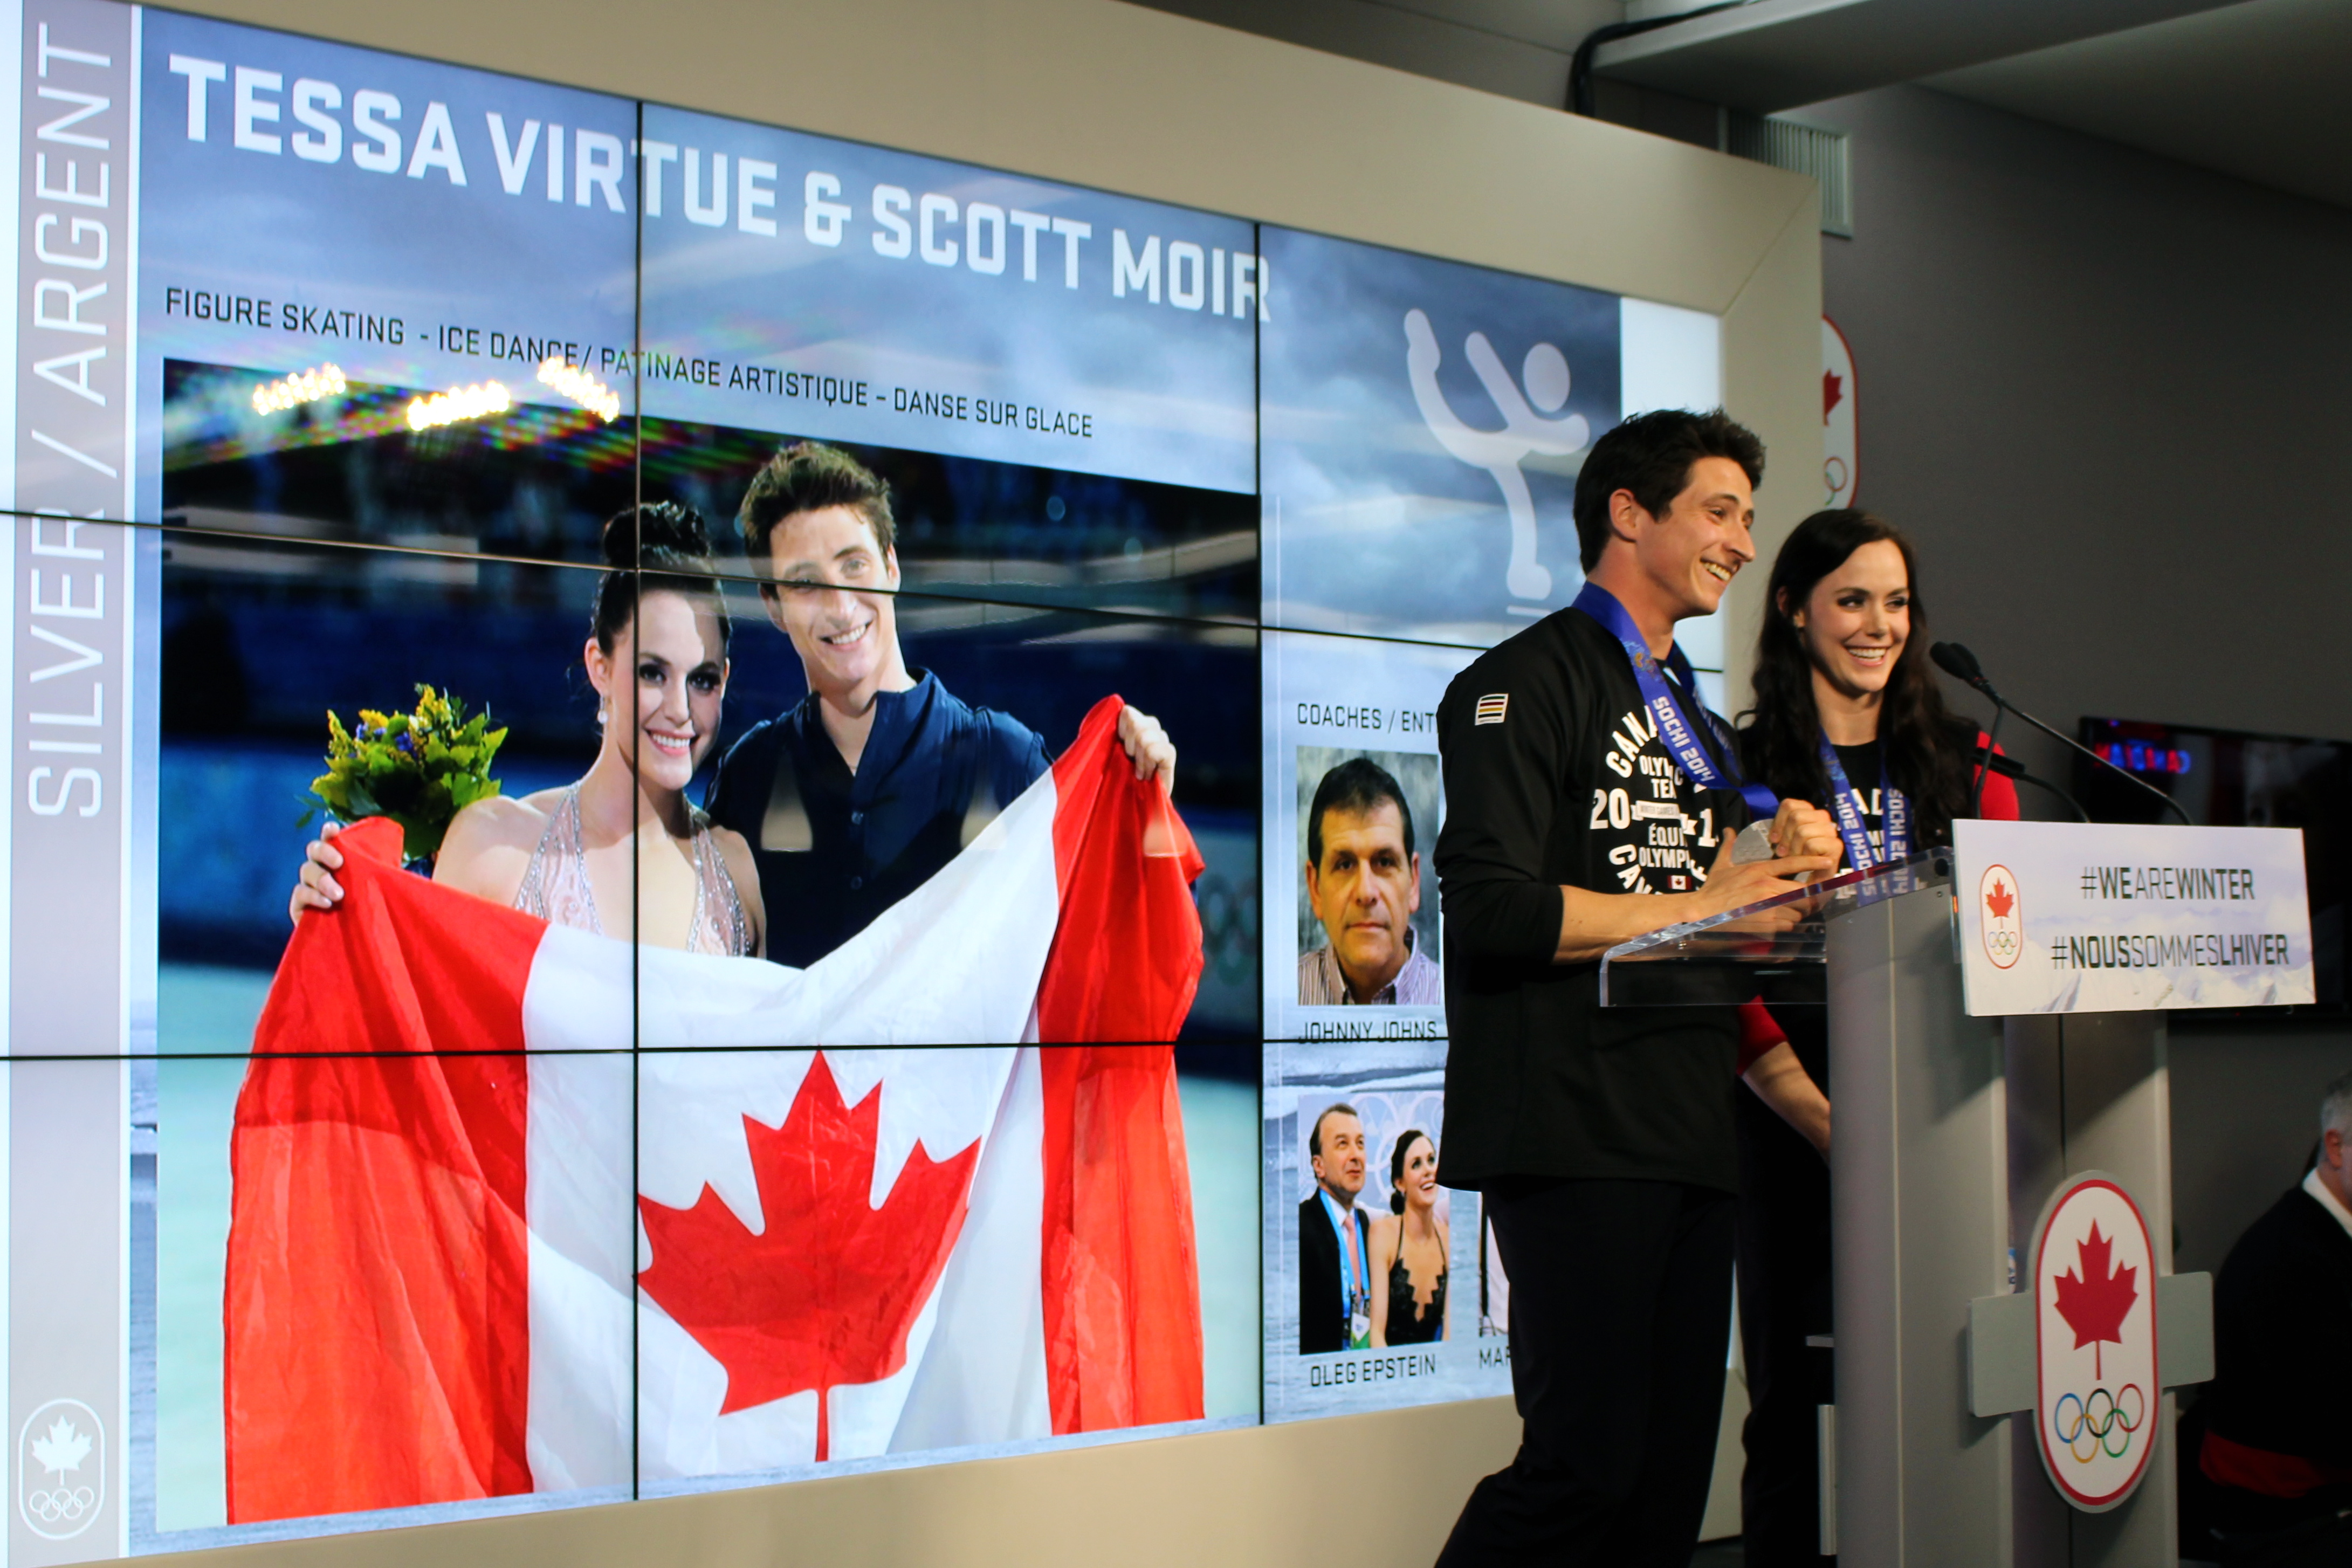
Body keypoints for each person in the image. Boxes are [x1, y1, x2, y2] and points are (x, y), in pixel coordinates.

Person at [1431, 408, 1843, 1568]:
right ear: (1629, 512)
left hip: (1688, 1134)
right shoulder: (1518, 682)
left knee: (1663, 1495)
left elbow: (1707, 936)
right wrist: (1709, 901)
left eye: (1748, 521)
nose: (1742, 544)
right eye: (1720, 512)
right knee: (1581, 1469)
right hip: (1572, 1132)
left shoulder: (1703, 732)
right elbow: (1500, 909)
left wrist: (1776, 872)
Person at [1729, 507, 2018, 1566]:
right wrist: (1818, 1115)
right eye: (1853, 599)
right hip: (1791, 1127)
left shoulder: (1968, 759)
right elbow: (1718, 968)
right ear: (1795, 609)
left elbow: (2012, 928)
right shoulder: (1741, 763)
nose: (1879, 625)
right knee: (1793, 1410)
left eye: (1896, 602)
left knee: (1945, 1387)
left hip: (1944, 1120)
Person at [702, 442, 1176, 968]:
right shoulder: (747, 779)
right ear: (773, 605)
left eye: (854, 565)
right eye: (806, 583)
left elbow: (1114, 947)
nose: (840, 606)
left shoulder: (1003, 763)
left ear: (892, 567)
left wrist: (1150, 815)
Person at [292, 505, 765, 957]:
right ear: (599, 667)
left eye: (702, 680)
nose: (681, 709)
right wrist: (332, 922)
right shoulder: (494, 845)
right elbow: (410, 1021)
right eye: (652, 673)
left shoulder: (736, 874)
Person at [2181, 1068, 2352, 1564]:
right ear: (2336, 1148)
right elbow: (2337, 1425)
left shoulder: (2321, 1236)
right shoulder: (2290, 1258)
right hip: (2287, 1526)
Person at [1297, 757, 1441, 1006]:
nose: (1366, 892)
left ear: (1414, 882)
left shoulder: (1456, 1000)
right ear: (1315, 888)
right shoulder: (1284, 994)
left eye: (1384, 862)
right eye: (1345, 865)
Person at [1299, 1103, 1374, 1354]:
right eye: (1343, 1144)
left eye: (1361, 1144)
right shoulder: (1301, 1226)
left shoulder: (1365, 1223)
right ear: (1318, 1165)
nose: (1356, 1155)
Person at [1371, 1129, 1448, 1346]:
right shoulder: (1383, 1235)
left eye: (1431, 1160)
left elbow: (1451, 1337)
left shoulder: (1449, 1240)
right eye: (1416, 1164)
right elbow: (1376, 1332)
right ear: (1400, 1183)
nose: (1427, 1171)